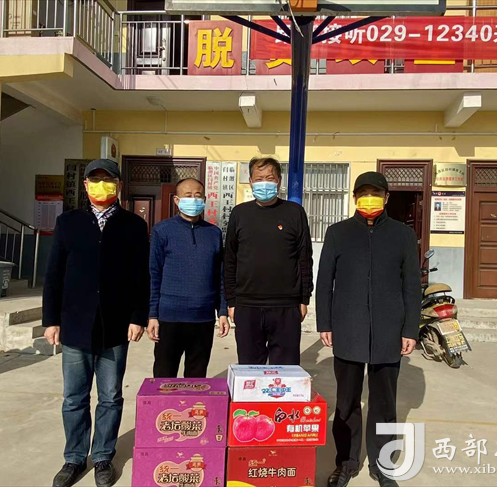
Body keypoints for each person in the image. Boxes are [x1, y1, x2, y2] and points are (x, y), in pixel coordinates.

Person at [43, 159, 149, 487]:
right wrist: (51, 320)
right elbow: (54, 274)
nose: (101, 184)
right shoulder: (68, 223)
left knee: (110, 397)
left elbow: (140, 277)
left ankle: (103, 455)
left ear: (119, 185)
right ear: (86, 185)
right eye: (95, 179)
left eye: (108, 179)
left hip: (115, 326)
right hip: (75, 324)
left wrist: (138, 317)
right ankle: (74, 458)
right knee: (74, 397)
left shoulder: (133, 225)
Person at [316, 172, 421, 487]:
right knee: (347, 401)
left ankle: (382, 465)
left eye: (376, 192)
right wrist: (325, 323)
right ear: (354, 197)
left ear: (387, 197)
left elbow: (411, 286)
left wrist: (410, 329)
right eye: (363, 193)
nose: (369, 198)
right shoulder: (338, 233)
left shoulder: (403, 235)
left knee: (384, 403)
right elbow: (325, 281)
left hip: (389, 330)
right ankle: (346, 463)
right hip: (348, 327)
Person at [224, 156, 313, 365]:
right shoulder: (239, 213)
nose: (264, 183)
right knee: (249, 369)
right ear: (251, 182)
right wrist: (231, 300)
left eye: (270, 178)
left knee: (285, 371)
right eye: (259, 178)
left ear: (279, 181)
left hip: (286, 305)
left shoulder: (294, 212)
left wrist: (304, 298)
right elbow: (230, 259)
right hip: (247, 305)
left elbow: (304, 257)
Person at [147, 178, 230, 378]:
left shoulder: (213, 233)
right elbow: (154, 274)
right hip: (169, 317)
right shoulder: (162, 230)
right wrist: (152, 315)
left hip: (203, 317)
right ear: (176, 200)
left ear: (205, 199)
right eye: (188, 195)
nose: (193, 200)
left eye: (198, 196)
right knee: (164, 377)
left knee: (197, 378)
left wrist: (222, 311)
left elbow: (220, 275)